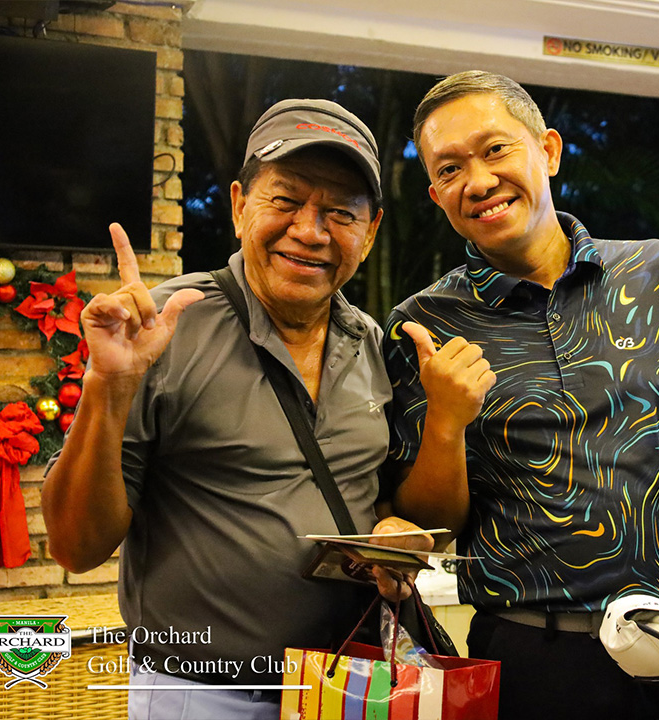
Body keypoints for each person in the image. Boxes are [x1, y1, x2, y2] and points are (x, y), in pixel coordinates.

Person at [42, 99, 452, 720]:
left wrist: (393, 533)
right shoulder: (166, 326)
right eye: (285, 200)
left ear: (370, 234)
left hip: (346, 690)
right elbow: (75, 547)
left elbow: (380, 497)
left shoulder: (373, 343)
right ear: (238, 206)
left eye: (341, 213)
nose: (310, 231)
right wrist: (108, 384)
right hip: (203, 694)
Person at [383, 71, 659, 720]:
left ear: (549, 151)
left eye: (496, 149)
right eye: (450, 169)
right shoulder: (423, 324)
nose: (477, 181)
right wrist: (446, 422)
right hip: (522, 657)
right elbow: (432, 527)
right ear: (436, 194)